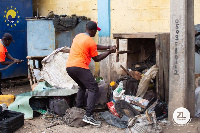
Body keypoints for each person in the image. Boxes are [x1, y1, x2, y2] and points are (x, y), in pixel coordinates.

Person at [66, 21, 116, 126]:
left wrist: (108, 46)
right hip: (80, 67)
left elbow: (94, 46)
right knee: (93, 87)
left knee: (82, 86)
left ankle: (78, 109)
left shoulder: (78, 36)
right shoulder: (90, 41)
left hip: (69, 67)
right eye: (96, 32)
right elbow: (97, 58)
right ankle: (88, 115)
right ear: (93, 30)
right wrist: (109, 52)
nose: (95, 33)